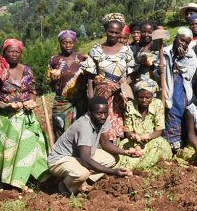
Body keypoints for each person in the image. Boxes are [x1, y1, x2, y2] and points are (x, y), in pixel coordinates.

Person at [0, 38, 49, 192]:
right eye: (10, 51)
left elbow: (32, 91)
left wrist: (31, 102)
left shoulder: (27, 70)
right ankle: (7, 180)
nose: (14, 54)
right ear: (4, 52)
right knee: (6, 150)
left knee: (32, 144)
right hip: (5, 117)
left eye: (17, 52)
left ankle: (30, 178)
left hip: (26, 114)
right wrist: (4, 106)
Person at [47, 97, 135, 196]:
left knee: (113, 157)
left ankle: (83, 181)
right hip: (60, 160)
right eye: (99, 113)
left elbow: (105, 143)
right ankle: (65, 186)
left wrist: (126, 152)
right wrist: (113, 172)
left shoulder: (103, 120)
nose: (103, 116)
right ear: (89, 113)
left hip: (79, 157)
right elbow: (85, 159)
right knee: (82, 173)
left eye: (105, 113)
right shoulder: (84, 126)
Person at [81, 13, 136, 143]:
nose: (113, 35)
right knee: (100, 122)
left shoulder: (126, 50)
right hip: (101, 95)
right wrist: (91, 98)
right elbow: (90, 77)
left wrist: (120, 86)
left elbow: (132, 75)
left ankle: (116, 149)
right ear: (105, 30)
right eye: (110, 31)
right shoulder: (96, 50)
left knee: (118, 122)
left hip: (119, 93)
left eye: (117, 32)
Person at [117, 80, 173, 169]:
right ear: (136, 96)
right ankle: (131, 166)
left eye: (147, 97)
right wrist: (133, 136)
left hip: (152, 139)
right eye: (141, 97)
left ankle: (138, 166)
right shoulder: (130, 105)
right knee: (124, 146)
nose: (144, 100)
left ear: (152, 96)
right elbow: (128, 131)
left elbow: (159, 131)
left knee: (160, 144)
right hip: (134, 141)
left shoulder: (157, 104)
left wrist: (148, 136)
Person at [158, 28, 197, 151]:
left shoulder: (191, 55)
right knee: (166, 112)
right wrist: (158, 71)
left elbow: (188, 74)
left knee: (178, 110)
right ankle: (167, 143)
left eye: (187, 42)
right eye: (181, 40)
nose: (183, 44)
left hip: (181, 88)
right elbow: (156, 73)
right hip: (166, 88)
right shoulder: (164, 52)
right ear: (176, 38)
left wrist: (181, 59)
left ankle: (179, 142)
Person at [48, 30, 87, 140]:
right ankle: (62, 155)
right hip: (62, 102)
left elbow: (90, 78)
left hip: (81, 101)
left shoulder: (82, 59)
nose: (68, 45)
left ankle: (80, 155)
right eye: (64, 42)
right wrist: (54, 79)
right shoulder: (54, 60)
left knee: (82, 131)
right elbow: (51, 85)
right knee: (61, 128)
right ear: (60, 43)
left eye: (71, 42)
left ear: (75, 42)